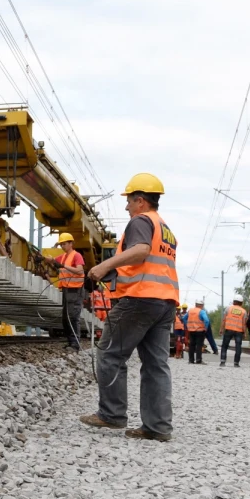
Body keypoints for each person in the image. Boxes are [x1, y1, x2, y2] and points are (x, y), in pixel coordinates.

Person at [80, 173, 177, 442]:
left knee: (110, 354)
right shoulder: (165, 228)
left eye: (129, 201)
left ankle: (111, 414)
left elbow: (141, 250)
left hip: (139, 299)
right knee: (156, 365)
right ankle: (157, 427)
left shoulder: (141, 221)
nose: (126, 207)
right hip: (165, 302)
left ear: (141, 201)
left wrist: (104, 266)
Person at [54, 232, 85, 349]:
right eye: (61, 244)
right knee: (65, 318)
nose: (62, 246)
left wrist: (63, 266)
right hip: (67, 289)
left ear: (71, 243)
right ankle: (70, 342)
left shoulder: (77, 256)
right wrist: (43, 258)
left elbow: (80, 271)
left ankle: (75, 344)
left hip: (75, 290)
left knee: (73, 317)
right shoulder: (63, 257)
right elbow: (53, 261)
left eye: (64, 244)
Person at [219, 295, 247, 368]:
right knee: (238, 347)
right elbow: (244, 323)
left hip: (229, 329)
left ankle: (222, 362)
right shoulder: (244, 311)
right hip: (239, 331)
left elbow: (224, 320)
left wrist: (221, 329)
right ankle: (236, 363)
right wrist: (245, 333)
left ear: (234, 301)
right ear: (241, 303)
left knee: (225, 346)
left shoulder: (228, 308)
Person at [185, 299, 209, 364]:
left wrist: (187, 325)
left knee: (191, 345)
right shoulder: (201, 311)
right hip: (200, 331)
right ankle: (198, 360)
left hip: (191, 331)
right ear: (201, 305)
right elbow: (206, 320)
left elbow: (184, 318)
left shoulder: (190, 311)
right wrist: (206, 328)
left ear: (196, 304)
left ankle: (191, 360)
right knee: (199, 345)